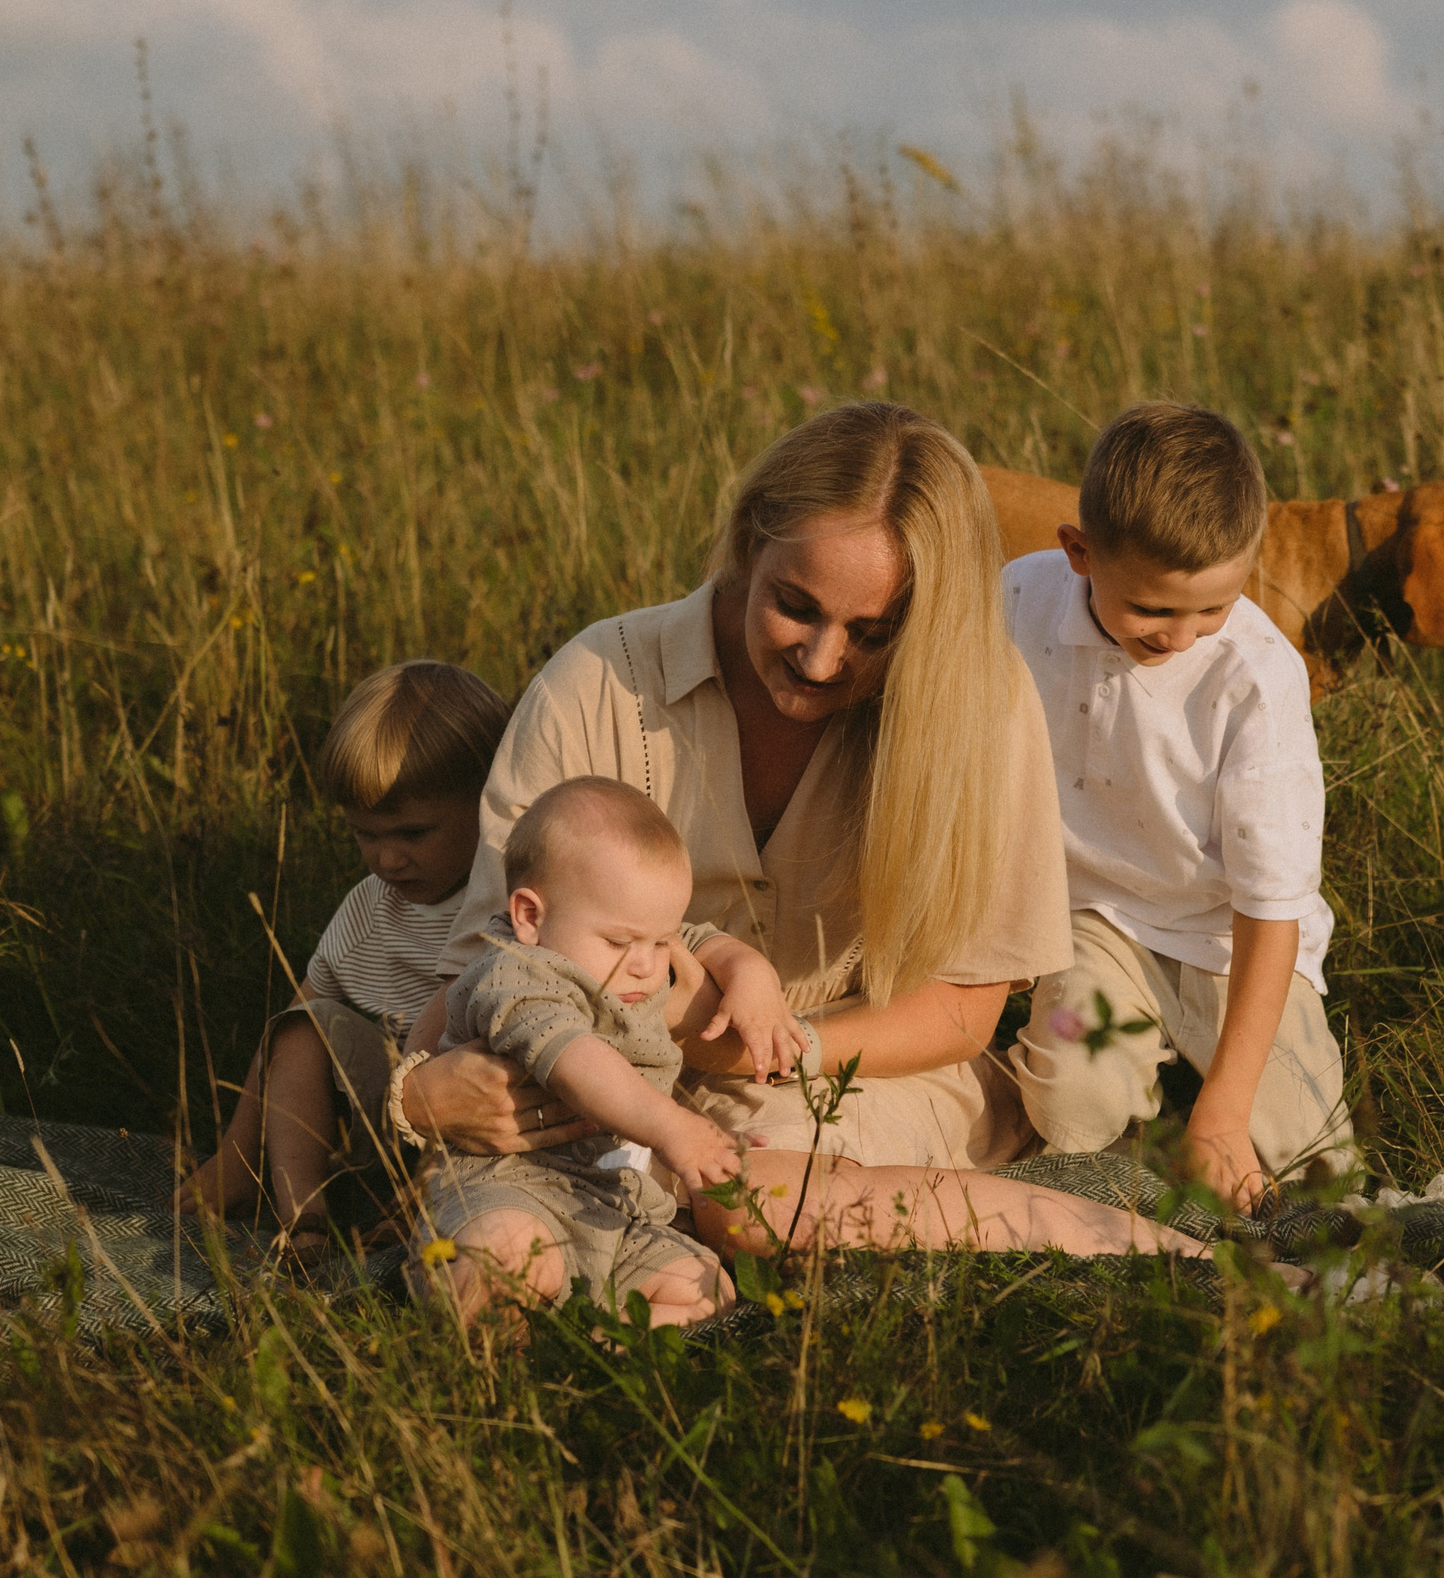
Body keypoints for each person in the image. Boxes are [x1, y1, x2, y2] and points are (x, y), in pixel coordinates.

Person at [401, 402, 1215, 1262]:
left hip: (859, 1073)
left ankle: (1172, 1258)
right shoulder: (597, 683)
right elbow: (484, 964)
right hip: (594, 1080)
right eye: (796, 606)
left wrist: (771, 1049)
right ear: (751, 541)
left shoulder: (980, 702)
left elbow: (963, 1009)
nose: (823, 661)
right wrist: (418, 1101)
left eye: (873, 634)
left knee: (749, 1198)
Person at [1001, 403, 1358, 1211]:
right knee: (1068, 1109)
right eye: (1154, 611)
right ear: (1079, 552)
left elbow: (1272, 908)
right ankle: (1138, 1109)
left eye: (1213, 607)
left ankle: (1207, 1101)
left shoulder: (1258, 677)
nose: (1181, 637)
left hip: (1230, 942)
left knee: (1310, 1164)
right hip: (1090, 922)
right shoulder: (1017, 601)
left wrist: (1228, 1110)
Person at [412, 777, 806, 1328]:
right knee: (501, 1259)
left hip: (617, 1205)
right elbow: (577, 1061)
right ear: (531, 917)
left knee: (705, 1287)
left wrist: (749, 970)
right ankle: (499, 1353)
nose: (648, 964)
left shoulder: (631, 948)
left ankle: (592, 1343)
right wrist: (674, 1127)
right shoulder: (516, 974)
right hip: (509, 1189)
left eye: (659, 941)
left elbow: (698, 938)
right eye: (622, 943)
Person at [177, 660, 509, 1250]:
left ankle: (429, 1211)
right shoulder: (369, 910)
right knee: (302, 1030)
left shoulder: (514, 902)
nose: (386, 860)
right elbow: (289, 1029)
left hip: (481, 1130)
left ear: (488, 802)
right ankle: (301, 1215)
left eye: (411, 834)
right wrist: (234, 1149)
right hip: (379, 1124)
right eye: (365, 835)